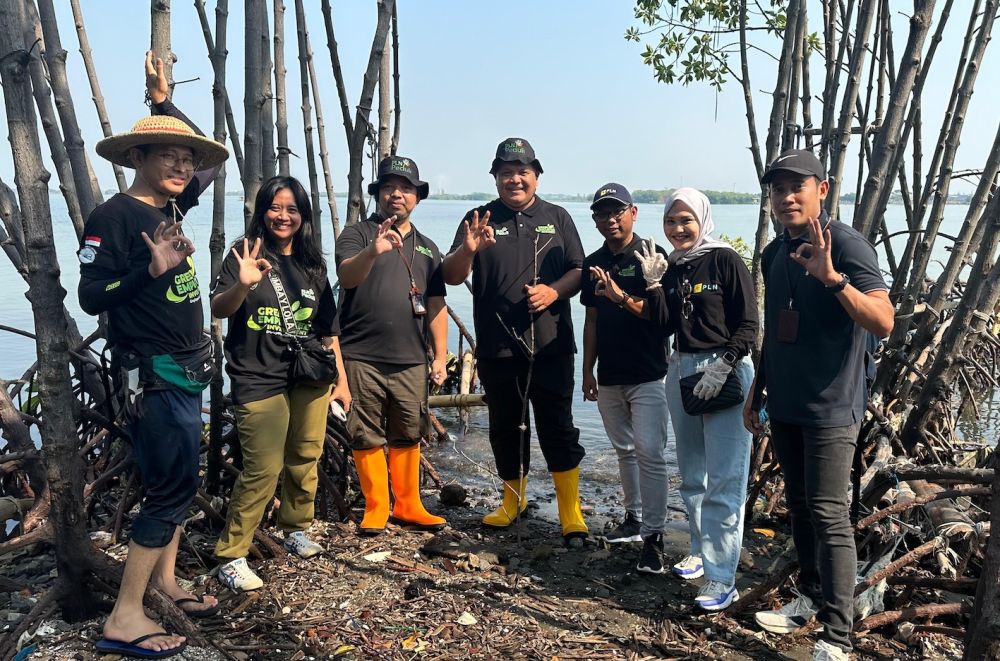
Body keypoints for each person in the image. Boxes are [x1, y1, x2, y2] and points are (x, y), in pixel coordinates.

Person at [79, 53, 228, 658]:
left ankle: (164, 581)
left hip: (186, 369)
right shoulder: (114, 217)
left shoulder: (170, 206)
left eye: (187, 157)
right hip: (154, 376)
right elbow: (92, 296)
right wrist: (149, 267)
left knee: (177, 480)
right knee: (170, 487)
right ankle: (125, 617)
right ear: (134, 159)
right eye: (167, 154)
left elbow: (214, 168)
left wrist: (164, 104)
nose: (183, 165)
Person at [746, 150, 893, 661]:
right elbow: (774, 331)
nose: (786, 197)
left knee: (831, 514)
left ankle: (838, 637)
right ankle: (809, 596)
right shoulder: (773, 253)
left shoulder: (846, 244)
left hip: (833, 407)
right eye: (777, 189)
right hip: (785, 403)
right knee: (803, 508)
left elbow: (883, 321)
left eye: (797, 187)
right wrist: (756, 392)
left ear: (822, 190)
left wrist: (833, 279)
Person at [441, 137, 588, 546]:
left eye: (523, 171)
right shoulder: (478, 218)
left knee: (558, 425)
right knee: (505, 427)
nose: (515, 179)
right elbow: (451, 276)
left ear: (536, 176)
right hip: (497, 347)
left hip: (551, 345)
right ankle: (513, 501)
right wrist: (468, 251)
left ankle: (571, 512)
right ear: (495, 177)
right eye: (506, 172)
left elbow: (579, 269)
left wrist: (554, 292)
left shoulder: (557, 217)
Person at [211, 176, 349, 590]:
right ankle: (232, 554)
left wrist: (341, 380)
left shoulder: (312, 264)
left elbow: (328, 330)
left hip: (308, 374)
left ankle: (295, 528)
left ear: (303, 215)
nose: (283, 216)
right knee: (263, 467)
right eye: (275, 207)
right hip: (257, 375)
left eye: (292, 209)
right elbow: (220, 306)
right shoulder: (243, 254)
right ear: (262, 212)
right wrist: (242, 283)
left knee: (306, 455)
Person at [639, 187, 758, 610]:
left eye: (686, 219)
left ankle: (723, 578)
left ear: (703, 219)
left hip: (724, 370)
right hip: (682, 369)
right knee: (692, 475)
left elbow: (748, 323)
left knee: (725, 479)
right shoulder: (675, 266)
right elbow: (664, 323)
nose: (678, 228)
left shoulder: (724, 258)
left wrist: (725, 362)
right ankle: (698, 549)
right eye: (671, 221)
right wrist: (654, 285)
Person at [336, 155, 448, 535]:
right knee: (365, 430)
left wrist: (441, 356)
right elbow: (347, 277)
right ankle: (376, 506)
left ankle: (408, 504)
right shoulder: (357, 234)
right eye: (388, 187)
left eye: (405, 189)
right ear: (378, 194)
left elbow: (435, 305)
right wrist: (373, 250)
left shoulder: (429, 247)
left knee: (408, 430)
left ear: (417, 196)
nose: (396, 194)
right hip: (360, 355)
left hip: (412, 359)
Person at [581, 183, 670, 571]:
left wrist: (620, 296)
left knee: (650, 452)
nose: (610, 219)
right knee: (625, 451)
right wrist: (587, 369)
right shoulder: (593, 262)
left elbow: (662, 316)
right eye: (602, 213)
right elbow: (591, 318)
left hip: (650, 372)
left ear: (633, 212)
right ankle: (634, 520)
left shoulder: (651, 255)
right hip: (610, 374)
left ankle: (655, 537)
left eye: (617, 211)